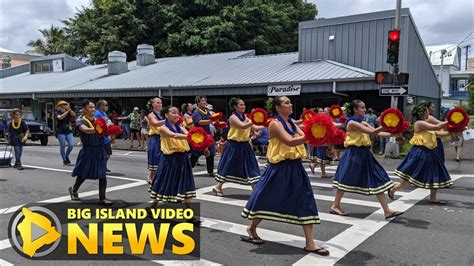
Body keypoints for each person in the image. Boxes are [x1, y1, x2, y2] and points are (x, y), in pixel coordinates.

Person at [241, 96, 329, 256]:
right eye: (286, 102)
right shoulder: (274, 124)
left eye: (290, 102)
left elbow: (304, 136)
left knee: (306, 199)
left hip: (295, 167)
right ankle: (252, 227)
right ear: (278, 107)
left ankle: (310, 243)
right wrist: (314, 134)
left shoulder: (291, 123)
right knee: (266, 199)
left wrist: (323, 133)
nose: (290, 104)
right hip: (278, 168)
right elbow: (290, 141)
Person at [331, 100, 403, 219]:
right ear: (355, 109)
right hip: (353, 154)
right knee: (345, 180)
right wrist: (386, 123)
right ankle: (335, 205)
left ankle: (387, 210)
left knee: (377, 178)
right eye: (362, 108)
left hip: (365, 154)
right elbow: (373, 131)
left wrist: (394, 134)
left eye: (364, 107)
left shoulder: (363, 122)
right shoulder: (352, 123)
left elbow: (377, 134)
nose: (364, 110)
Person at [390, 103, 452, 204]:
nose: (429, 112)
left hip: (430, 153)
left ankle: (433, 198)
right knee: (413, 176)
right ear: (423, 113)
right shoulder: (419, 123)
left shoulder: (426, 125)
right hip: (420, 153)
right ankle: (393, 189)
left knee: (435, 174)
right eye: (427, 111)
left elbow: (439, 133)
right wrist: (452, 121)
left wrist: (454, 130)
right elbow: (438, 127)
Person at [148, 106, 199, 223]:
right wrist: (192, 137)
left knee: (186, 186)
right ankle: (153, 208)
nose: (176, 115)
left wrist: (199, 138)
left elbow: (188, 132)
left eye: (178, 113)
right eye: (173, 113)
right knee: (165, 186)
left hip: (183, 159)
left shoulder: (180, 127)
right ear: (166, 115)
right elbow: (173, 135)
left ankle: (189, 216)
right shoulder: (163, 128)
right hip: (170, 160)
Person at [214, 98, 261, 196]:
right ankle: (218, 186)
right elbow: (242, 126)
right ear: (235, 107)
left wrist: (266, 123)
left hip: (245, 145)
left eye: (244, 104)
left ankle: (255, 189)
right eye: (241, 105)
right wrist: (254, 121)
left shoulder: (246, 117)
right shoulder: (233, 117)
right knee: (228, 165)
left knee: (250, 165)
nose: (243, 106)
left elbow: (255, 127)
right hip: (234, 145)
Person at [69, 99, 112, 206]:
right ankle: (74, 190)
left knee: (102, 174)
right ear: (84, 109)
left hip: (100, 149)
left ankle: (103, 198)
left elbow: (105, 130)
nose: (93, 109)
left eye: (94, 107)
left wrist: (111, 131)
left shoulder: (98, 119)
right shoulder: (80, 121)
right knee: (83, 174)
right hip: (88, 150)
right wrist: (101, 129)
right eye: (90, 107)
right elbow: (86, 130)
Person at [190, 96, 216, 176]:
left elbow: (211, 120)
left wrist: (218, 125)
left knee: (211, 153)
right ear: (198, 103)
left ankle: (210, 171)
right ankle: (188, 168)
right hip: (199, 135)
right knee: (196, 153)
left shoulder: (206, 111)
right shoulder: (196, 112)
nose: (204, 102)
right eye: (202, 101)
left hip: (207, 134)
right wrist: (210, 121)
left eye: (205, 101)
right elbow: (200, 122)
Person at [146, 97, 165, 184]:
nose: (160, 104)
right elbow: (155, 123)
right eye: (157, 102)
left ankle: (159, 177)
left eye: (160, 102)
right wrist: (167, 120)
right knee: (155, 157)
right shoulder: (151, 115)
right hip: (155, 138)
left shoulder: (163, 114)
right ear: (153, 104)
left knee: (163, 157)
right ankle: (150, 176)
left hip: (163, 137)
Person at [95, 100, 113, 173]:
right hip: (101, 137)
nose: (107, 106)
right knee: (103, 154)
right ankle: (101, 167)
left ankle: (103, 166)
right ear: (100, 106)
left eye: (107, 105)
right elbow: (97, 126)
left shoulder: (104, 113)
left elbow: (106, 121)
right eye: (105, 105)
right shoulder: (97, 114)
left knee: (108, 153)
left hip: (106, 137)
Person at [55, 100, 76, 165]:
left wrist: (69, 109)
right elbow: (60, 117)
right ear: (58, 107)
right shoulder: (57, 112)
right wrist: (67, 111)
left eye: (64, 105)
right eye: (61, 105)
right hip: (60, 131)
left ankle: (66, 156)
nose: (63, 106)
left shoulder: (68, 111)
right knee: (63, 145)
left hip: (68, 130)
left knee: (71, 144)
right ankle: (64, 159)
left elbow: (74, 115)